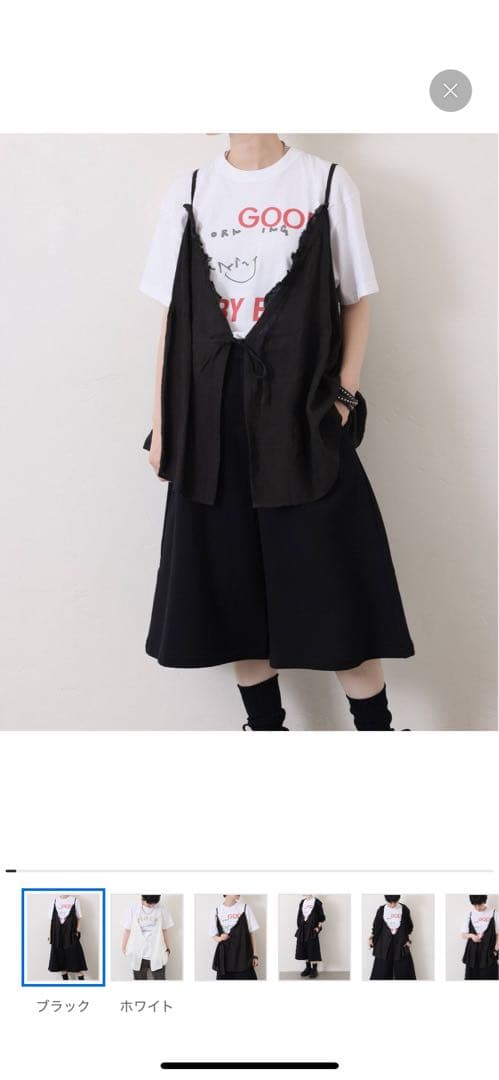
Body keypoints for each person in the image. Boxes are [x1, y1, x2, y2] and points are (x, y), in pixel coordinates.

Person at [140, 134, 415, 731]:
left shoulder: (326, 183)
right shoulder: (191, 192)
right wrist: (163, 427)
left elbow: (355, 299)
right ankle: (265, 732)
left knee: (334, 585)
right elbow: (172, 319)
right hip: (209, 421)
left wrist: (343, 397)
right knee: (232, 592)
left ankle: (378, 733)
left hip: (300, 415)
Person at [121, 894, 174, 980]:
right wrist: (123, 947)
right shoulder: (133, 909)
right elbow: (127, 930)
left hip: (158, 954)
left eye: (153, 903)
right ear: (142, 897)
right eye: (148, 903)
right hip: (138, 955)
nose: (151, 905)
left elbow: (165, 930)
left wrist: (168, 949)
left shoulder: (161, 910)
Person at [209, 894, 260, 980]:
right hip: (225, 960)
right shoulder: (216, 911)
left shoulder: (245, 908)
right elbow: (213, 935)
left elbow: (252, 933)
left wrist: (255, 955)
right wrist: (220, 938)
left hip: (243, 957)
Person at [368, 895, 416, 980]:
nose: (393, 905)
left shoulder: (404, 909)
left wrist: (407, 940)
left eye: (395, 902)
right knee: (381, 973)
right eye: (390, 902)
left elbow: (409, 926)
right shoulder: (382, 910)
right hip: (384, 944)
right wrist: (371, 939)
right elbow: (376, 927)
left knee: (404, 973)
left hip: (401, 944)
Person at [48, 894, 88, 980]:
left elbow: (78, 917)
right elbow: (52, 920)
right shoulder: (55, 901)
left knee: (76, 963)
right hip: (57, 934)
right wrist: (50, 935)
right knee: (61, 963)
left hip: (71, 934)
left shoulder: (74, 900)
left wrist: (77, 931)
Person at [461, 895, 499, 980]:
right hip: (473, 955)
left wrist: (496, 949)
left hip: (488, 954)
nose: (477, 908)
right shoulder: (469, 914)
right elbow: (463, 934)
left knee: (490, 977)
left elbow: (498, 934)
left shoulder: (494, 913)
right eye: (475, 905)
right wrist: (472, 936)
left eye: (480, 904)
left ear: (484, 901)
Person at [295, 895, 326, 978]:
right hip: (303, 929)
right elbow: (299, 916)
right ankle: (308, 968)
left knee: (313, 948)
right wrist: (299, 927)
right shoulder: (302, 902)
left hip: (312, 929)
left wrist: (318, 928)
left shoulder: (317, 902)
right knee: (304, 948)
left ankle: (314, 969)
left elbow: (321, 917)